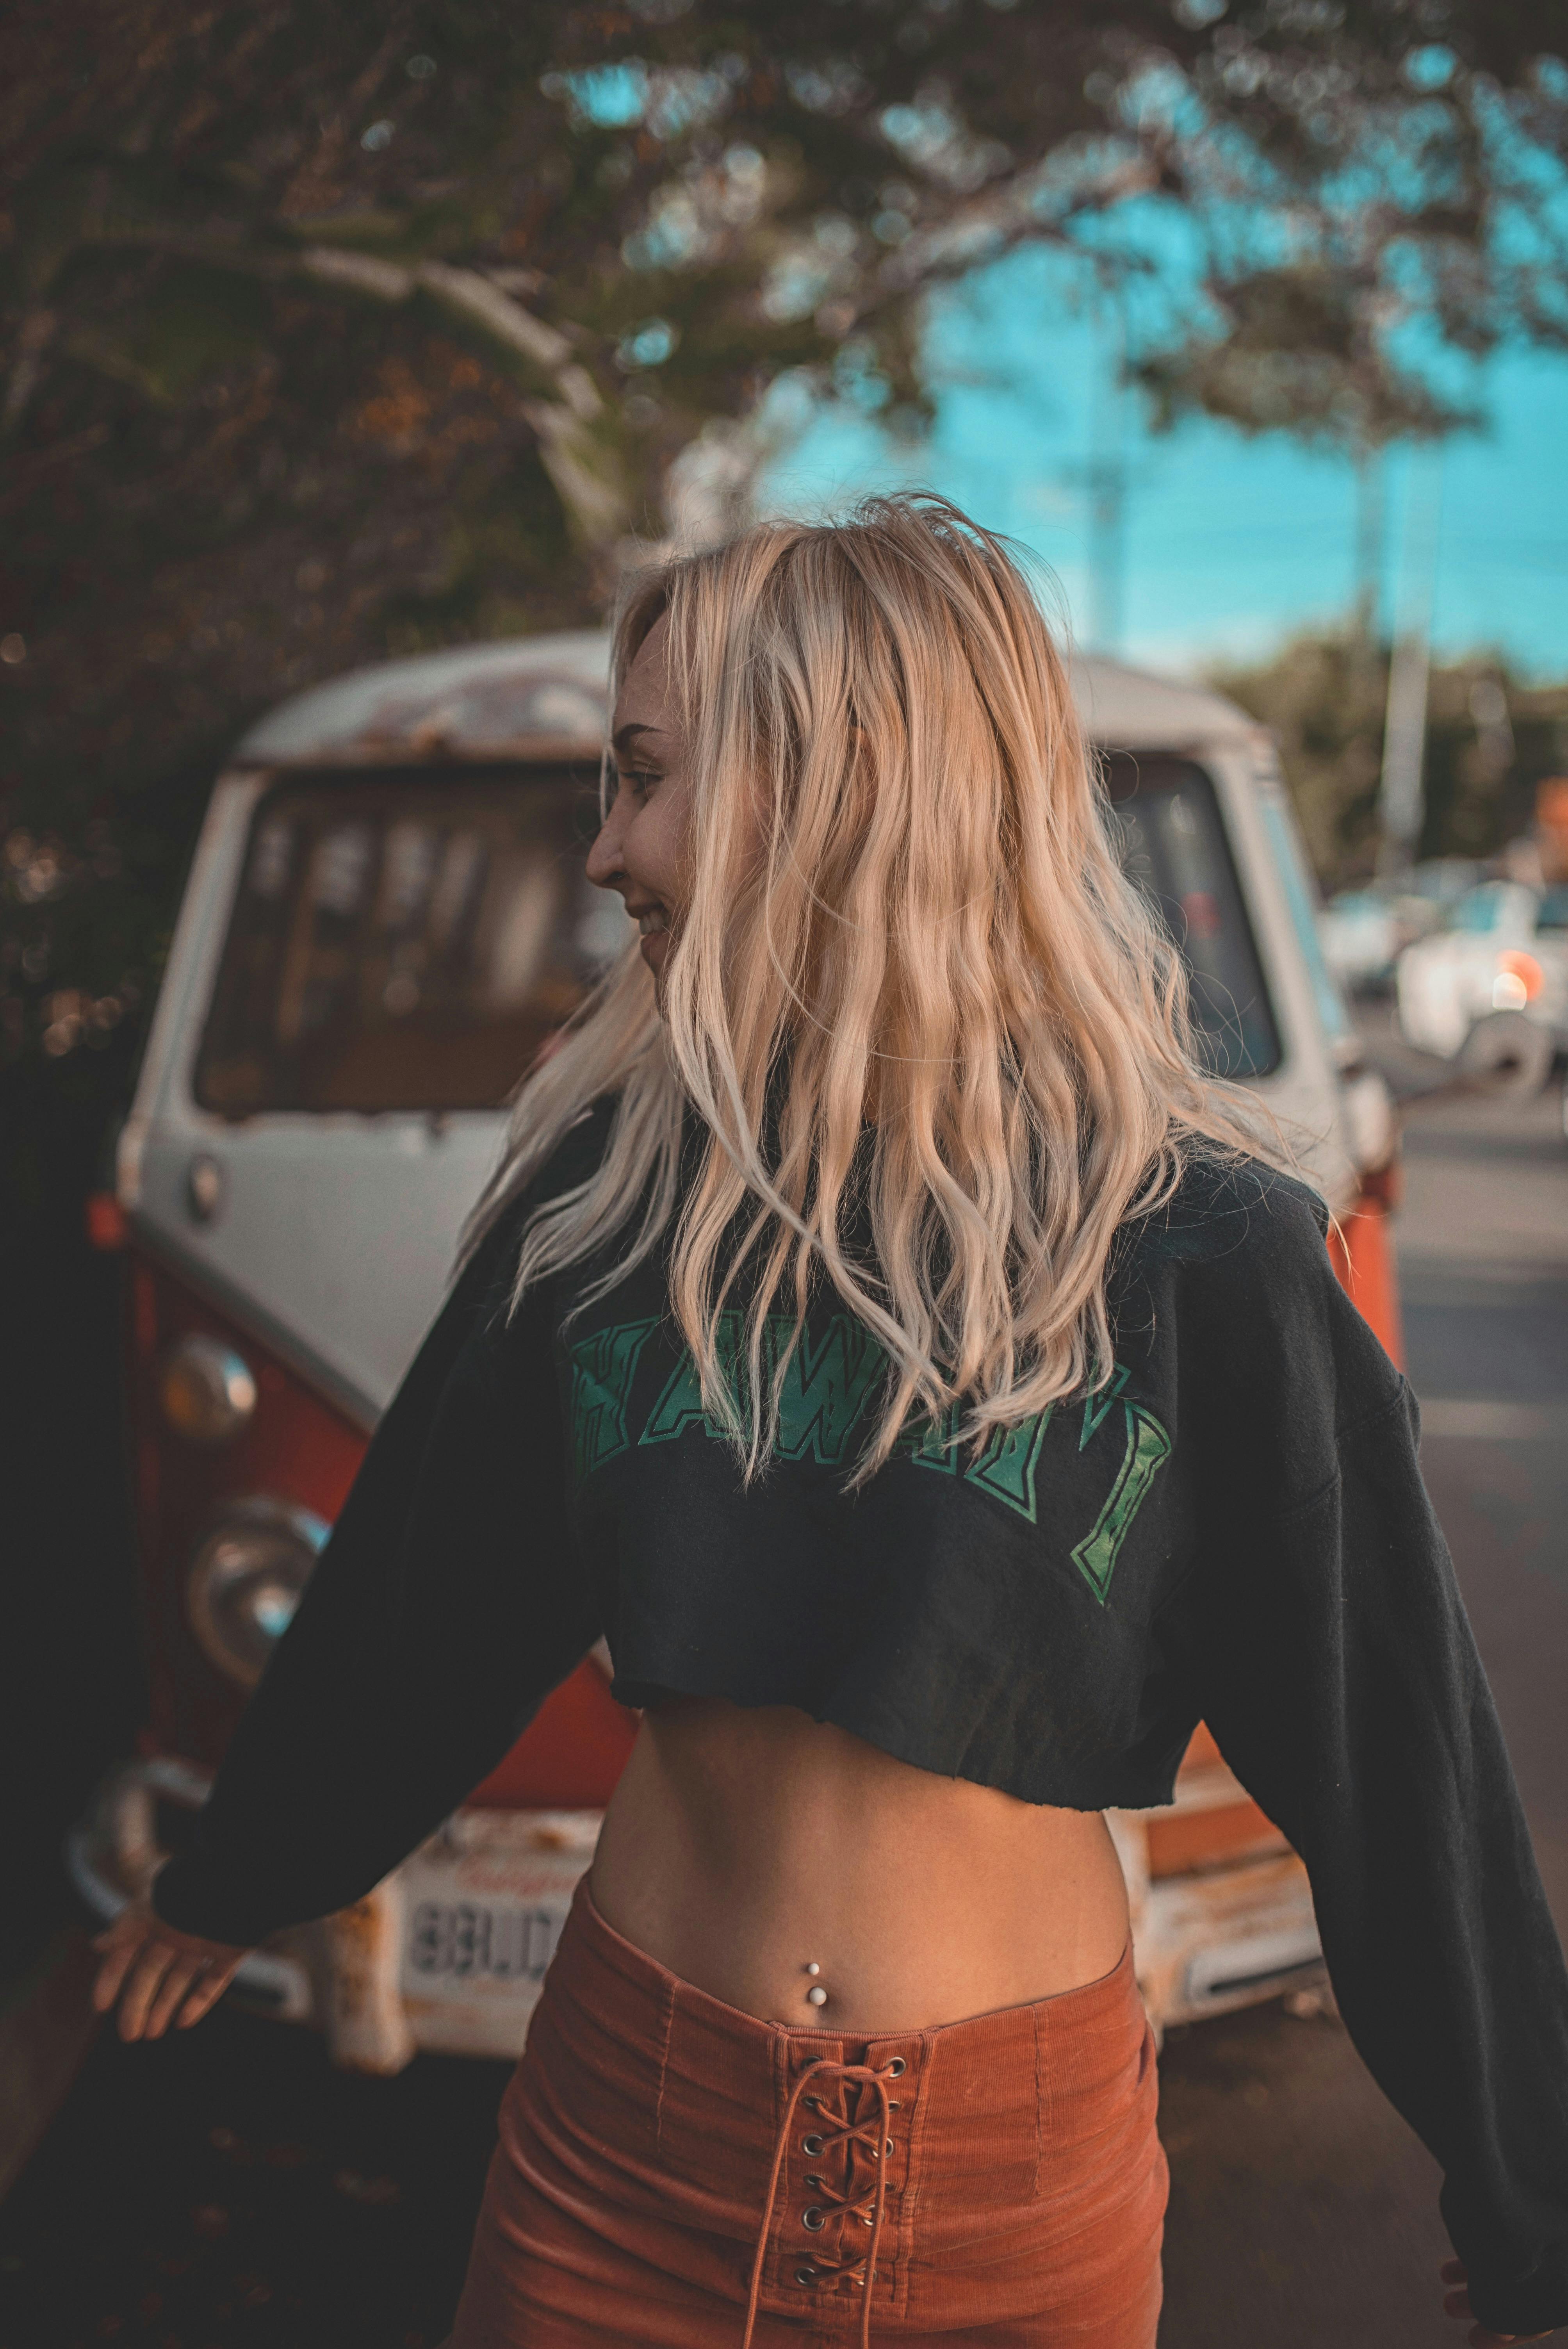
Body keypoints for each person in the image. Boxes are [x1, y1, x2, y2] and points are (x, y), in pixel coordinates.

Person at [95, 495, 1568, 2349]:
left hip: (1008, 2196)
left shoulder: (1203, 1249)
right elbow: (422, 1590)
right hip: (624, 2151)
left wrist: (1523, 2175)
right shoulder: (609, 1208)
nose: (605, 849)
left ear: (830, 783)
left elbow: (1387, 1733)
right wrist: (241, 1876)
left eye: (644, 780)